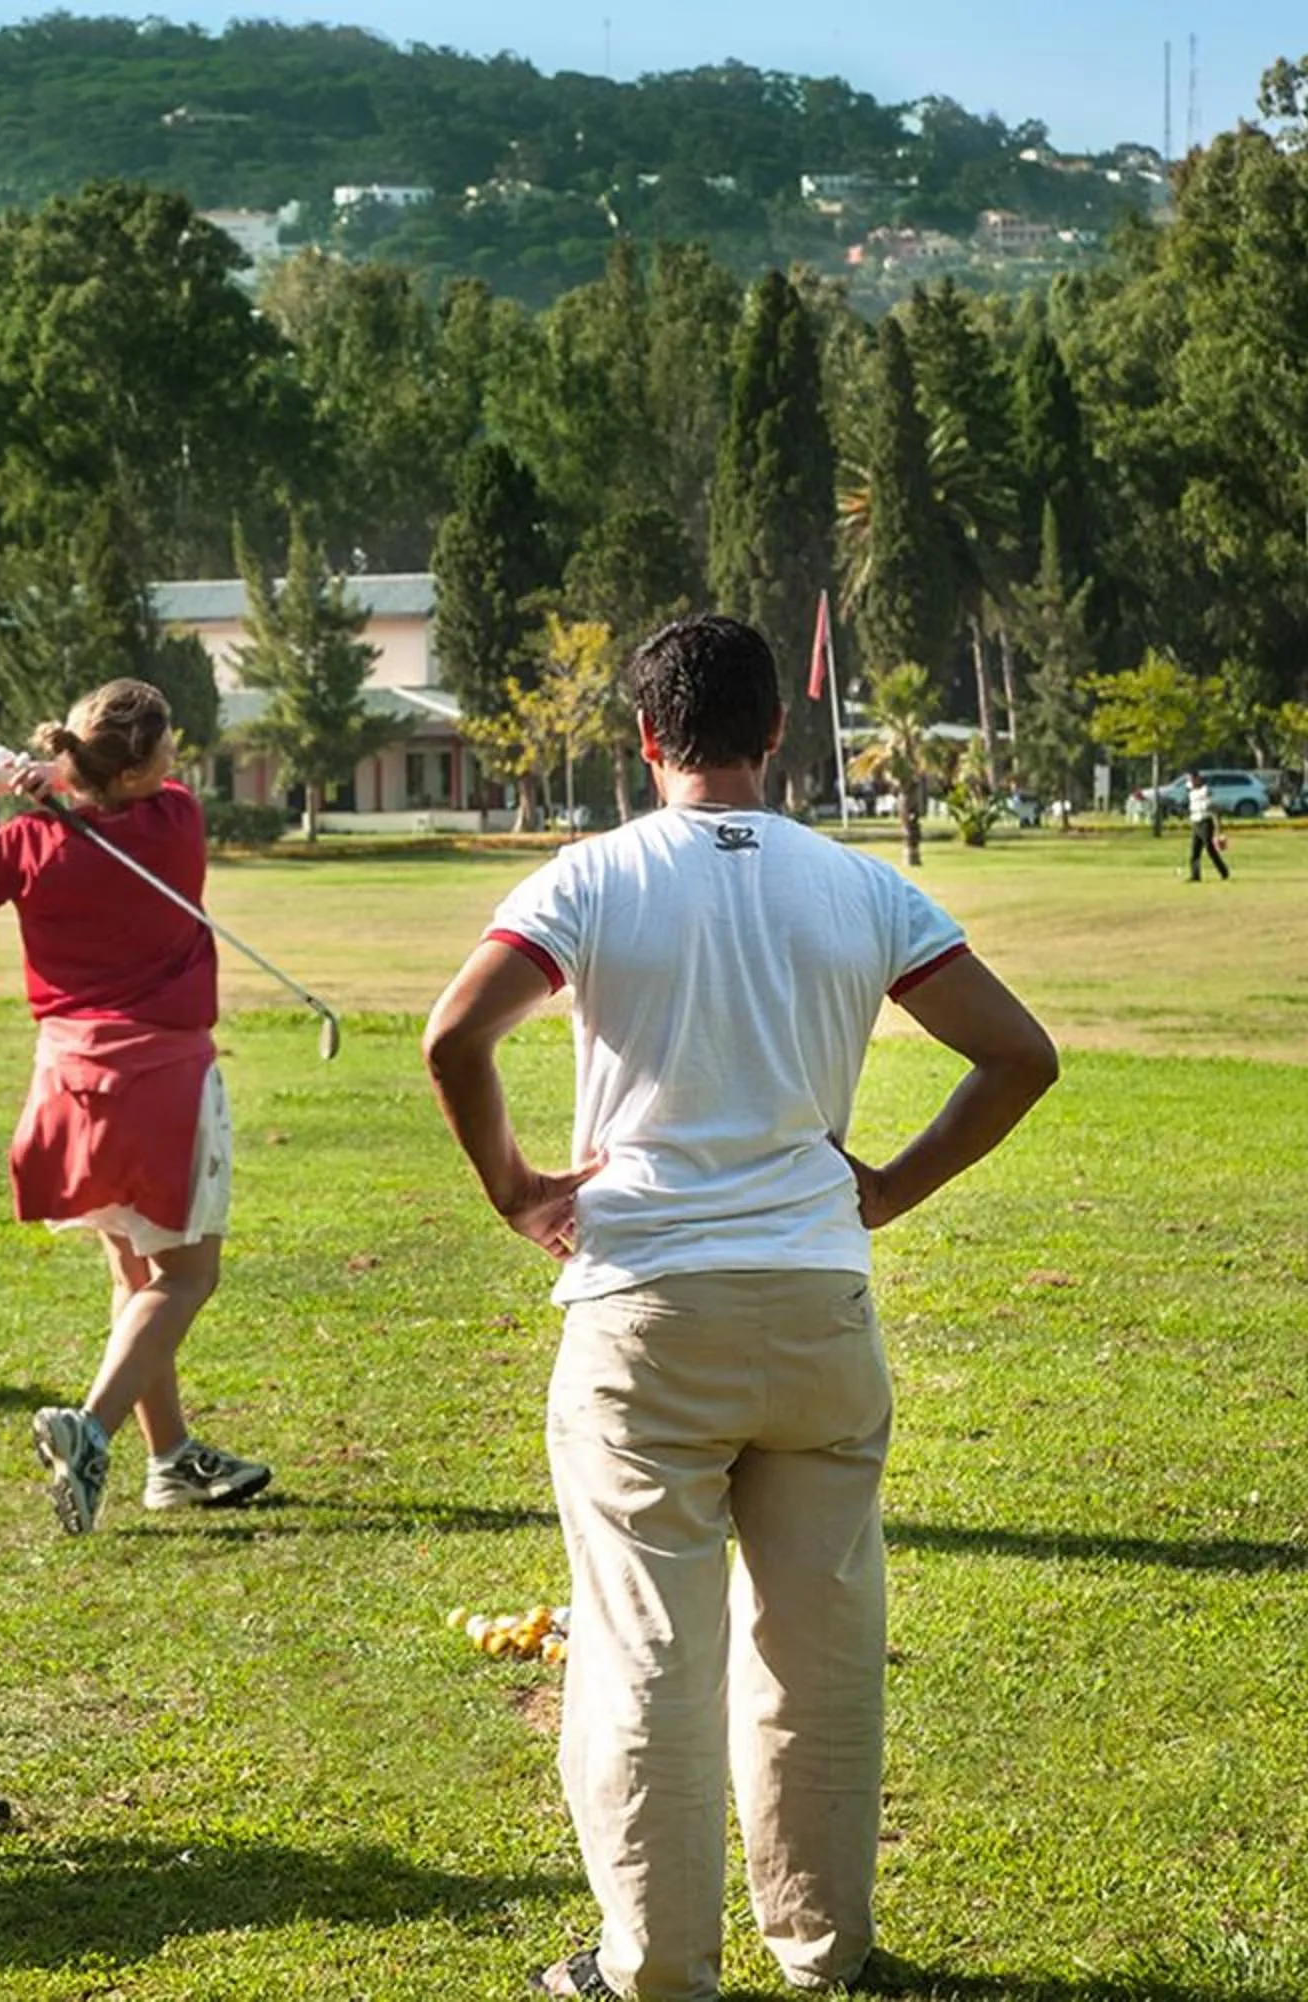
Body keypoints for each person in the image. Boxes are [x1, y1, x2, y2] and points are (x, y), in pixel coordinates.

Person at [420, 616, 1057, 1999]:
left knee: (651, 1644)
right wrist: (890, 1186)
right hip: (817, 1301)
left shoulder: (591, 877)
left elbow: (455, 1034)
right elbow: (1019, 1055)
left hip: (646, 1306)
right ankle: (825, 1941)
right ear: (777, 735)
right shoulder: (861, 887)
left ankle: (654, 1966)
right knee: (820, 1643)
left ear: (646, 740)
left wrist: (517, 1188)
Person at [0, 678, 272, 1535]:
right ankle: (94, 1429)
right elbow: (124, 796)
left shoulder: (32, 840)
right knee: (187, 1275)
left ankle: (171, 1459)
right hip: (161, 1085)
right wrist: (59, 787)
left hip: (69, 1084)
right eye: (167, 747)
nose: (177, 761)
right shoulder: (177, 822)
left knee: (133, 1272)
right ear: (142, 766)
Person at [1185, 771, 1231, 882]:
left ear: (1198, 779)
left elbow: (1214, 808)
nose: (1190, 782)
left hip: (1205, 822)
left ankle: (1224, 871)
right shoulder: (1191, 792)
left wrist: (1219, 828)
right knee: (1195, 851)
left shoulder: (1205, 791)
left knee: (1210, 849)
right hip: (1196, 823)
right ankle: (1195, 875)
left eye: (1192, 779)